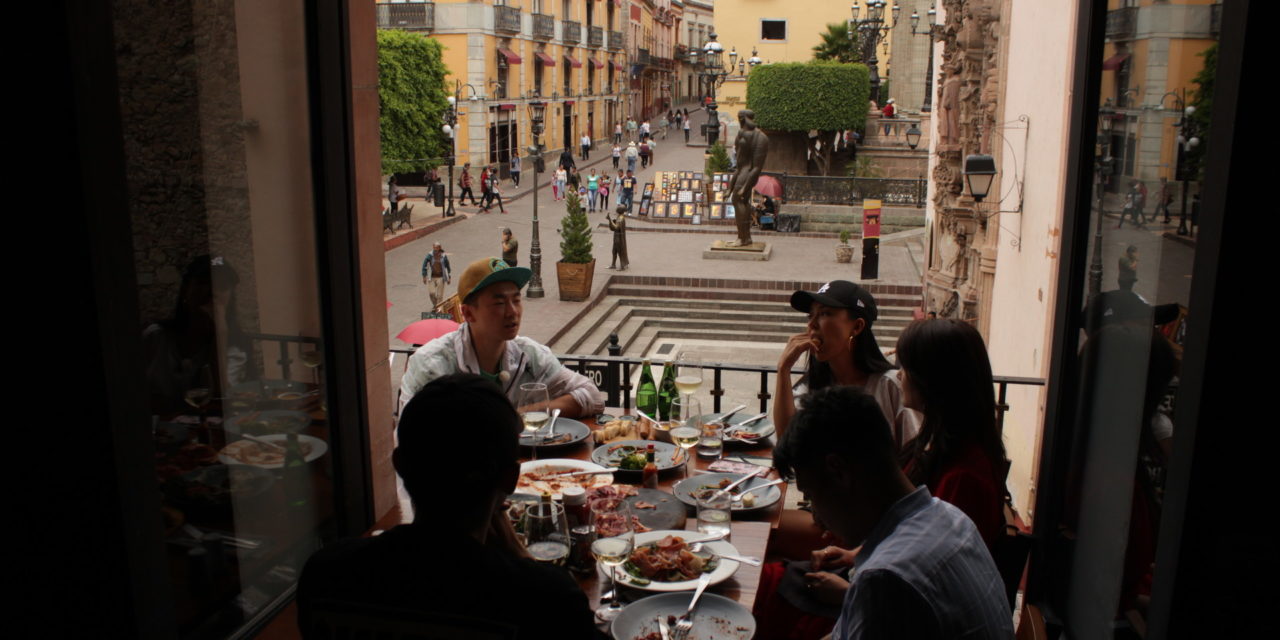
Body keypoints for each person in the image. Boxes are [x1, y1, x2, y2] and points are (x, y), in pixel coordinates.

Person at [297, 374, 600, 640]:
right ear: (510, 480)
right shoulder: (545, 601)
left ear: (399, 465)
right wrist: (521, 558)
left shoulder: (325, 574)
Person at [767, 386, 1014, 640]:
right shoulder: (951, 518)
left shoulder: (886, 581)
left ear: (838, 471)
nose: (816, 514)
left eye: (811, 494)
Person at [398, 258, 603, 418]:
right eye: (499, 303)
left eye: (516, 300)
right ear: (468, 314)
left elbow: (592, 396)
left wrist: (520, 415)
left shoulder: (529, 354)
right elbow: (412, 437)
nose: (512, 312)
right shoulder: (432, 365)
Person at [895, 318, 1009, 548]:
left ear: (932, 379)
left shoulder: (961, 478)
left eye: (906, 367)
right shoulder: (944, 447)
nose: (899, 375)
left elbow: (931, 561)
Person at [775, 280, 919, 447]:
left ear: (857, 327)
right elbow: (787, 447)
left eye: (825, 313)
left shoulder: (891, 386)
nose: (811, 324)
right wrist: (783, 370)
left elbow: (916, 457)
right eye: (810, 315)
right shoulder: (809, 388)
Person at [727, 109, 769, 247]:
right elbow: (739, 165)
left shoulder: (760, 138)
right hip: (742, 172)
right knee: (740, 202)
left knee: (738, 201)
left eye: (740, 119)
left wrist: (745, 187)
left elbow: (756, 167)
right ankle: (745, 238)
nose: (739, 121)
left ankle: (742, 238)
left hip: (748, 173)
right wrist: (730, 187)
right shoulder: (741, 135)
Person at [421, 242, 451, 308]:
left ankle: (439, 308)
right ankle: (435, 305)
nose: (435, 249)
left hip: (441, 277)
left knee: (440, 295)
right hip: (431, 277)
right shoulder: (429, 255)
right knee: (432, 293)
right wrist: (424, 276)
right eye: (434, 247)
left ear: (440, 248)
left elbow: (447, 266)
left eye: (437, 248)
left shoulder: (443, 256)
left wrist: (449, 277)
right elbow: (424, 266)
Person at [607, 206, 629, 270]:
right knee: (614, 251)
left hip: (619, 238)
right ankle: (613, 264)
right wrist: (612, 221)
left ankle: (622, 266)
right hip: (616, 236)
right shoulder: (619, 216)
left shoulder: (621, 218)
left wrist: (610, 220)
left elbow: (616, 227)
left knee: (620, 251)